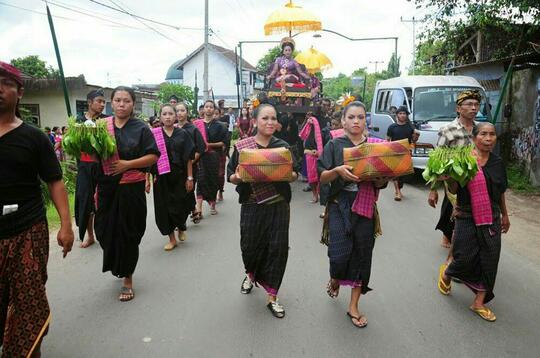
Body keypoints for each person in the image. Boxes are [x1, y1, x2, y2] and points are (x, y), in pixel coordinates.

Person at [0, 61, 74, 357]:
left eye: (5, 83)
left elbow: (55, 181)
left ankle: (26, 351)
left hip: (27, 229)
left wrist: (66, 226)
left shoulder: (34, 137)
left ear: (19, 92)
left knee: (28, 297)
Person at [318, 101, 388, 329]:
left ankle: (354, 306)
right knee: (338, 254)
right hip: (340, 205)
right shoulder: (334, 145)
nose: (356, 121)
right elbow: (322, 176)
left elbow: (383, 179)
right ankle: (336, 276)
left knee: (362, 255)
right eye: (351, 117)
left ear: (365, 119)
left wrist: (380, 178)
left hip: (365, 205)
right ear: (343, 121)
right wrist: (337, 171)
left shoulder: (376, 146)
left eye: (360, 117)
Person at [227, 103, 298, 318]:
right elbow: (231, 177)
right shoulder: (243, 148)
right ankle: (251, 273)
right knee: (250, 247)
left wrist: (287, 175)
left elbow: (294, 174)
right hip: (251, 203)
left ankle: (272, 296)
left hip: (278, 204)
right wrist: (238, 177)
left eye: (273, 119)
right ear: (255, 121)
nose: (270, 122)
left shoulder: (283, 146)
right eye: (265, 118)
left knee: (277, 249)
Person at [438, 122, 510, 322]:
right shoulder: (463, 160)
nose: (488, 138)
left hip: (492, 216)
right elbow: (453, 190)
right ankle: (447, 274)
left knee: (490, 258)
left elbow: (501, 191)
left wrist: (505, 215)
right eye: (484, 134)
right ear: (474, 138)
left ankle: (478, 302)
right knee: (464, 256)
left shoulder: (497, 163)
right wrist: (449, 178)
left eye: (492, 134)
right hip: (466, 214)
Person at [94, 86, 159, 302]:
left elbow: (153, 156)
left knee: (128, 232)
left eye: (127, 101)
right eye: (118, 100)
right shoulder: (101, 127)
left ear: (133, 104)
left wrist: (127, 165)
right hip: (106, 188)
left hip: (131, 188)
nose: (122, 104)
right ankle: (118, 263)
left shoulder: (140, 128)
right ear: (112, 103)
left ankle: (128, 279)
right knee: (104, 230)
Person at [429, 90, 479, 249]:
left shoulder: (480, 129)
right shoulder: (449, 129)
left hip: (476, 176)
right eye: (469, 104)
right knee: (452, 205)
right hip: (453, 177)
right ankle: (448, 235)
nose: (473, 108)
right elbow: (438, 158)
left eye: (476, 104)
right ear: (458, 108)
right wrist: (433, 189)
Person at [146, 104, 195, 250]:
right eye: (164, 114)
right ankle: (171, 238)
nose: (168, 117)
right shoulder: (154, 134)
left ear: (176, 116)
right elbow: (149, 158)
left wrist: (190, 178)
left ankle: (181, 226)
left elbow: (189, 158)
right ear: (160, 117)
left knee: (182, 204)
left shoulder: (183, 134)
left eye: (170, 114)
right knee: (164, 208)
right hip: (161, 177)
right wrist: (147, 179)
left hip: (180, 176)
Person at [75, 89, 107, 248]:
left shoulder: (107, 121)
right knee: (86, 200)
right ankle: (90, 235)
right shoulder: (78, 121)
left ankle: (106, 231)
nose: (102, 104)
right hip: (85, 167)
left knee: (104, 199)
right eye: (99, 101)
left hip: (103, 166)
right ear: (89, 102)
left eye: (103, 102)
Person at [193, 100, 227, 216]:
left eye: (211, 107)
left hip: (213, 156)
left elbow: (223, 143)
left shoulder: (220, 126)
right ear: (203, 109)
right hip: (200, 156)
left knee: (212, 180)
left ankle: (212, 204)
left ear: (214, 109)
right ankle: (199, 209)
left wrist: (208, 145)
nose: (208, 109)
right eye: (206, 107)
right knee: (200, 180)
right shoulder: (196, 125)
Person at [176, 102, 206, 224]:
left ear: (187, 113)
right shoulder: (172, 129)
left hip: (190, 166)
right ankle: (191, 210)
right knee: (179, 191)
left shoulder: (193, 129)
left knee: (188, 190)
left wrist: (191, 161)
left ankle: (186, 215)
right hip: (176, 167)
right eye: (177, 111)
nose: (179, 113)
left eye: (182, 110)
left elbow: (201, 148)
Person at [386, 106, 417, 201]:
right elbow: (387, 139)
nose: (402, 115)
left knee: (404, 174)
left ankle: (399, 188)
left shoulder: (410, 127)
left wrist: (416, 136)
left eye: (404, 113)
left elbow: (414, 140)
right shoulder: (392, 127)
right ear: (397, 115)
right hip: (395, 152)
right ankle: (397, 192)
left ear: (406, 115)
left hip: (406, 152)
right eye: (400, 113)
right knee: (396, 173)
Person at [299, 115, 324, 203]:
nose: (309, 122)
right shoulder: (307, 131)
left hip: (318, 157)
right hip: (308, 156)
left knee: (320, 177)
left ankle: (321, 195)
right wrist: (306, 120)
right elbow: (300, 133)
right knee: (311, 178)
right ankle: (314, 195)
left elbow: (323, 146)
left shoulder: (321, 133)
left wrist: (318, 152)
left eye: (311, 121)